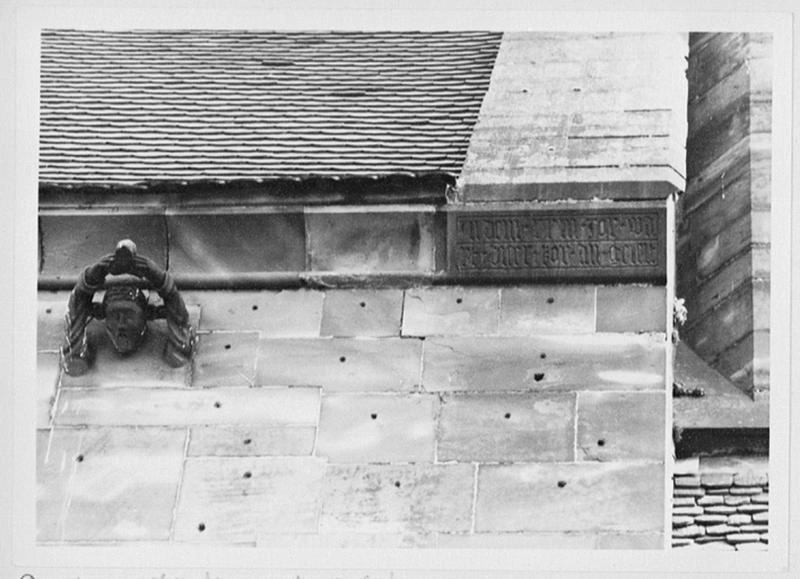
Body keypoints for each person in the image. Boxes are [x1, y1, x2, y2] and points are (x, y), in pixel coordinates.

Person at [60, 240, 195, 376]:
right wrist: (93, 274)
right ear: (102, 314)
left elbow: (181, 345)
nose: (121, 324)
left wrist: (160, 279)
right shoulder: (77, 360)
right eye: (114, 316)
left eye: (130, 316)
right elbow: (74, 352)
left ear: (146, 315)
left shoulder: (175, 356)